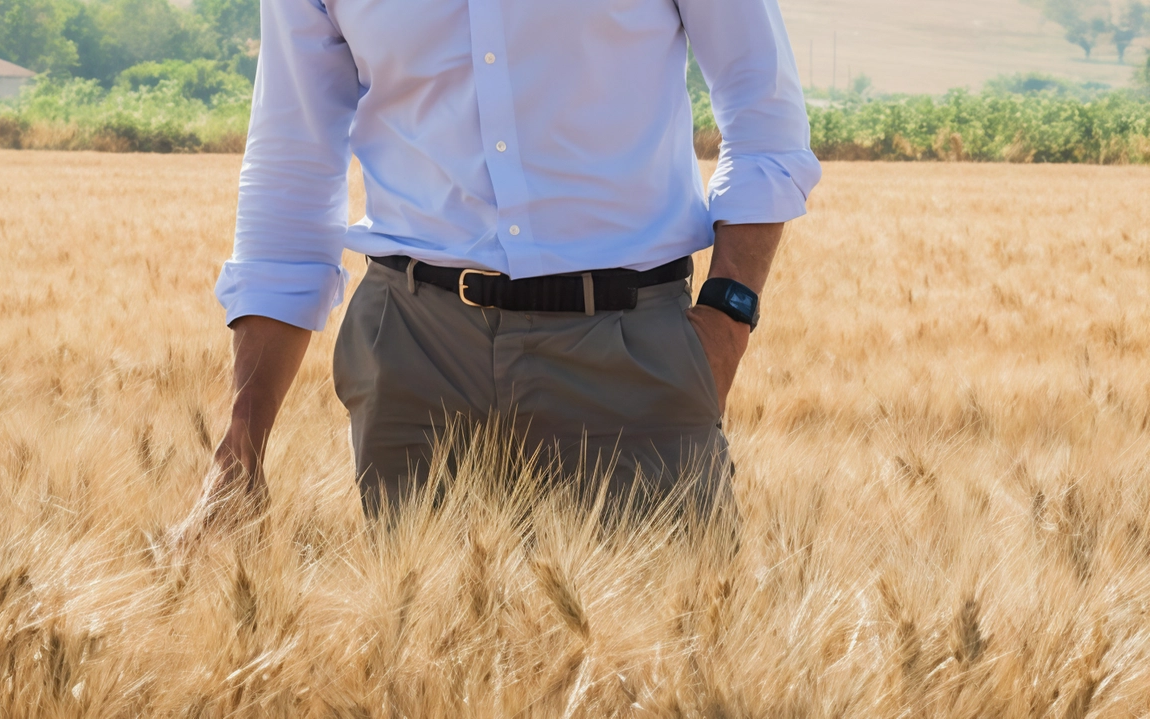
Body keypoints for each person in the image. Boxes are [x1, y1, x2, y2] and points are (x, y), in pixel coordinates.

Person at [181, 0, 821, 528]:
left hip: (630, 353)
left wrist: (726, 324)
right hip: (412, 355)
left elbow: (765, 121)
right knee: (425, 670)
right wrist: (243, 441)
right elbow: (291, 167)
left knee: (671, 668)